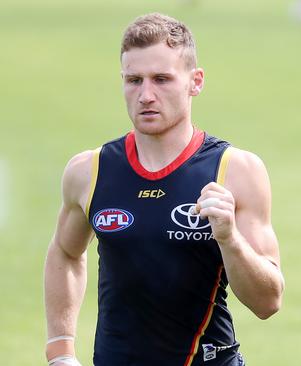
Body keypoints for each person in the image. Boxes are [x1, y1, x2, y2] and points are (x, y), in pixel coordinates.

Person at [44, 13, 284, 366]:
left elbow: (268, 302)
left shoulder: (235, 171)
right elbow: (65, 254)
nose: (145, 95)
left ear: (195, 81)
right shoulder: (89, 171)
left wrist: (230, 239)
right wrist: (60, 350)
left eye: (161, 79)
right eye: (133, 80)